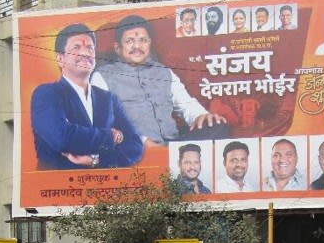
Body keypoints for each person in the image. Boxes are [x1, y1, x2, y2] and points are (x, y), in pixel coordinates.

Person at [95, 15, 228, 147]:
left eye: (143, 40)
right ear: (117, 48)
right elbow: (103, 121)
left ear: (150, 44)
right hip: (133, 146)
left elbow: (186, 104)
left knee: (216, 126)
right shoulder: (102, 76)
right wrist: (140, 140)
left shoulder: (164, 72)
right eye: (129, 41)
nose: (137, 46)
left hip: (173, 144)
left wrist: (202, 116)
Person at [30, 23, 143, 170]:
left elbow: (135, 146)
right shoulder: (47, 94)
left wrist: (96, 160)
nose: (85, 53)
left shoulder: (108, 99)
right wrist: (111, 136)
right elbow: (62, 138)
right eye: (76, 47)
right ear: (60, 59)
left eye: (90, 48)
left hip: (105, 182)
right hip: (58, 182)